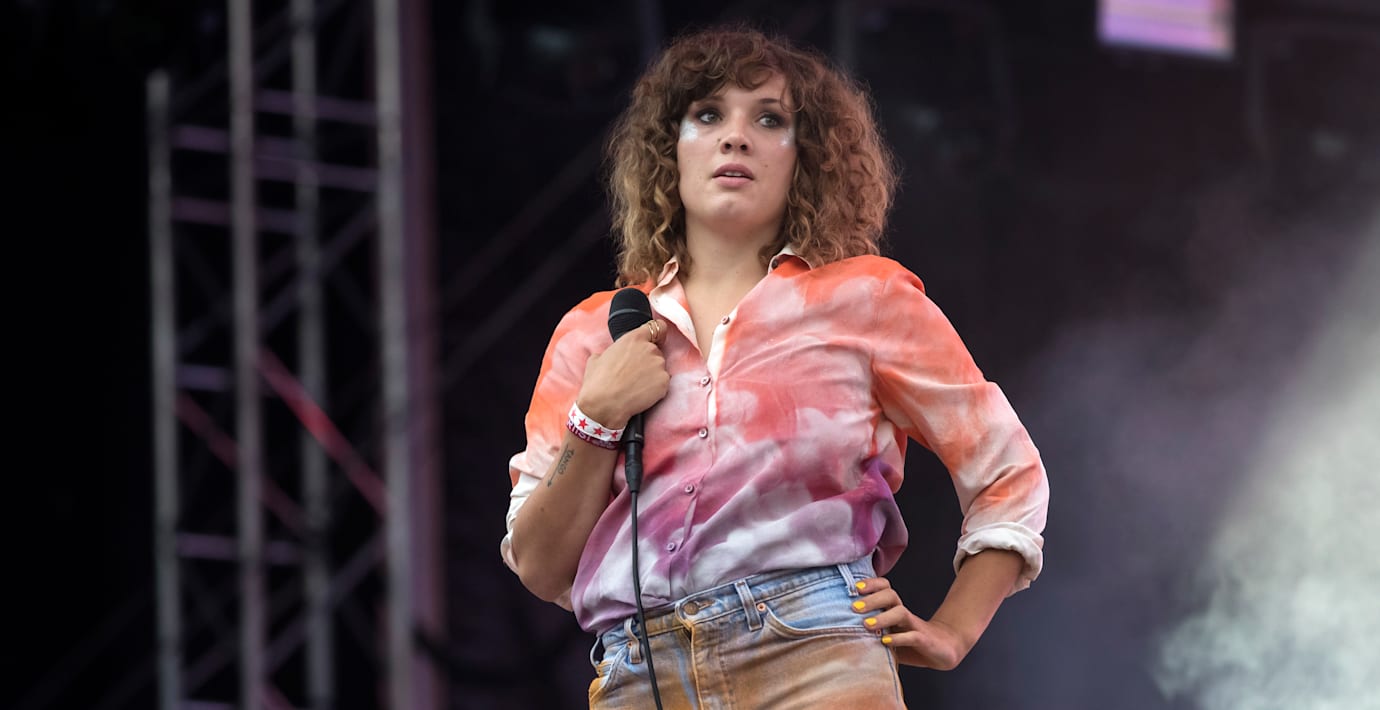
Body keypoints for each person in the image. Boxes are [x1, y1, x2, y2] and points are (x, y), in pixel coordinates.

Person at [501, 26, 1049, 708]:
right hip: (640, 678)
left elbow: (1007, 473)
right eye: (708, 115)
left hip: (813, 655)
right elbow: (539, 563)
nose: (736, 137)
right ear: (669, 149)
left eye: (769, 120)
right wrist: (598, 416)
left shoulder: (866, 298)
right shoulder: (593, 332)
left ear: (805, 158)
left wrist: (954, 631)